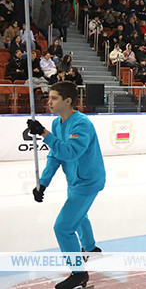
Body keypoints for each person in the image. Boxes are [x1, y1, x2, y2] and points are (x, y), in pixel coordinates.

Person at [28, 81, 106, 289]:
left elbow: (70, 152)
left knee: (63, 227)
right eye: (49, 98)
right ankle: (90, 248)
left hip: (88, 181)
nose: (49, 102)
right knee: (80, 216)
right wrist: (42, 183)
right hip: (74, 179)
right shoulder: (57, 124)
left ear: (68, 100)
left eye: (54, 98)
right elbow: (55, 156)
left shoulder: (82, 124)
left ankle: (78, 272)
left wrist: (44, 134)